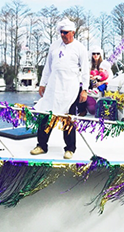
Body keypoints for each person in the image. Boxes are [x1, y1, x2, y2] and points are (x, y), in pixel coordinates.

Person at [31, 18, 89, 159]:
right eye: (61, 32)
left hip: (71, 88)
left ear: (73, 32)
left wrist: (85, 89)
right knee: (46, 115)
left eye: (65, 32)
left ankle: (70, 148)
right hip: (53, 87)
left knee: (68, 119)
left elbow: (86, 70)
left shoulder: (80, 48)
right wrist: (42, 84)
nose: (63, 35)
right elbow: (48, 67)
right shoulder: (54, 46)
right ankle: (41, 145)